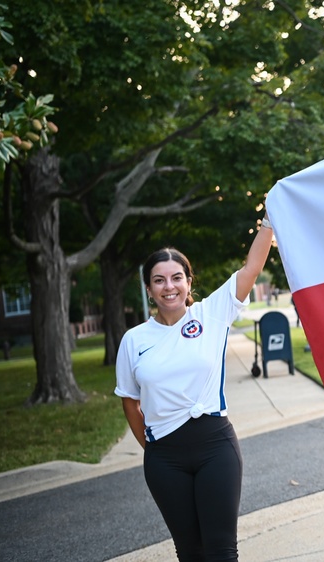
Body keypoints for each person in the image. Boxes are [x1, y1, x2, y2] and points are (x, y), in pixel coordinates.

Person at [115, 216, 275, 561]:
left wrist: (268, 224)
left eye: (176, 278)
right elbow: (130, 401)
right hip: (164, 459)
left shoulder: (210, 315)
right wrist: (153, 448)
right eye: (159, 280)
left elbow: (250, 269)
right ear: (148, 289)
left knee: (221, 551)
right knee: (189, 553)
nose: (168, 286)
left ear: (189, 283)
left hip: (215, 447)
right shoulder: (133, 340)